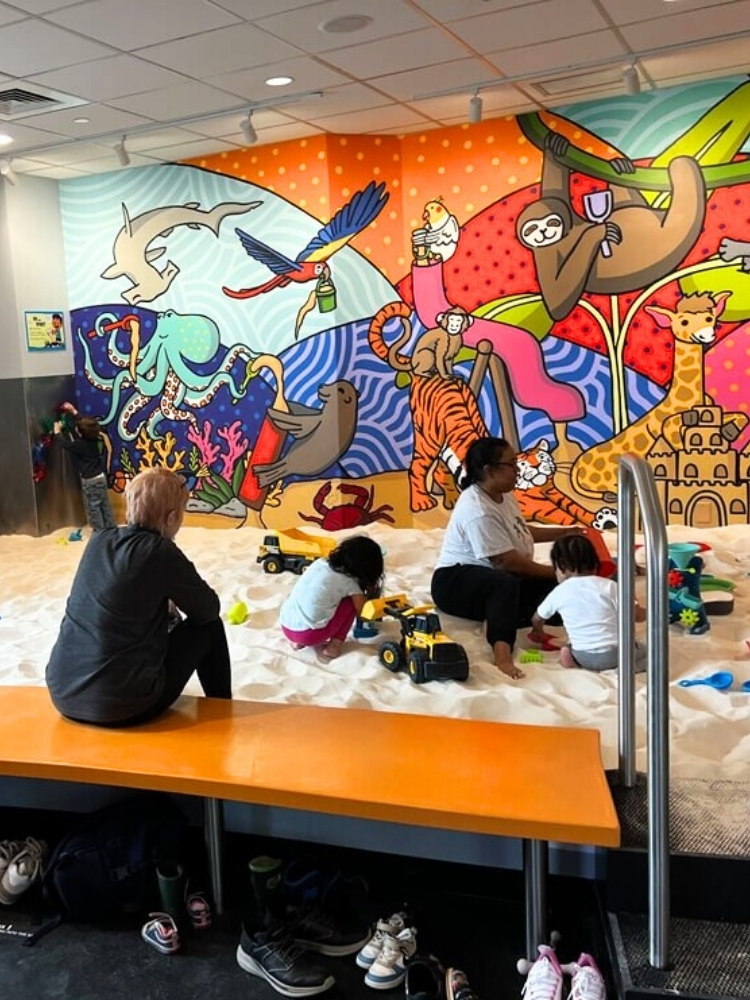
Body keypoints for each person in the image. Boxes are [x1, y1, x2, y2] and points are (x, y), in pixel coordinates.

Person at [46, 467, 232, 728]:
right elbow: (208, 610)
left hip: (63, 692)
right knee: (210, 628)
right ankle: (223, 709)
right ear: (172, 517)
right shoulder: (160, 552)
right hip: (123, 706)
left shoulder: (99, 540)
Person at [431, 436, 585, 680]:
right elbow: (505, 562)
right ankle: (502, 654)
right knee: (505, 584)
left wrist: (566, 532)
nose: (518, 470)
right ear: (489, 470)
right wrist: (559, 574)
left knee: (564, 590)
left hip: (500, 577)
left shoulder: (503, 494)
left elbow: (520, 530)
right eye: (511, 465)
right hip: (454, 583)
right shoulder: (477, 509)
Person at [531, 534, 647, 672]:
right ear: (595, 563)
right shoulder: (611, 586)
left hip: (583, 656)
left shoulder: (558, 592)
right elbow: (637, 616)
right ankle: (634, 667)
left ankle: (569, 657)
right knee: (645, 650)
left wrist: (538, 631)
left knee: (570, 646)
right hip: (617, 655)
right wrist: (650, 612)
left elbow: (537, 618)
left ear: (561, 567)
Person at [279, 535, 384, 660]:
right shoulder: (350, 582)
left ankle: (297, 643)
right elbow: (362, 612)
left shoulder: (320, 563)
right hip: (309, 635)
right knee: (351, 603)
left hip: (286, 626)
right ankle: (334, 646)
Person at [54, 414, 116, 531]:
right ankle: (111, 529)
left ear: (80, 432)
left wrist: (57, 432)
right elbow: (88, 425)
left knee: (93, 508)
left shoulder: (80, 444)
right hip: (101, 478)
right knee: (105, 505)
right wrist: (73, 412)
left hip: (90, 481)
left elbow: (64, 444)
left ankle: (99, 533)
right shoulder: (96, 440)